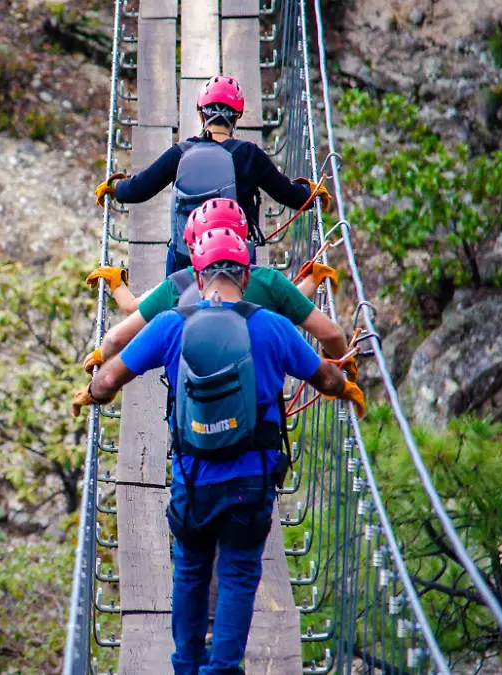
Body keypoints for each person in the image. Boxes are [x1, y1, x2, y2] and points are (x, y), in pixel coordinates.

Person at [72, 227, 365, 675]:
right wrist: (347, 388)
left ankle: (186, 665)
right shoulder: (272, 327)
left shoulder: (173, 324)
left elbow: (110, 379)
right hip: (253, 481)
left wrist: (90, 393)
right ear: (245, 275)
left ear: (199, 274)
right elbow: (326, 378)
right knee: (240, 572)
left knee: (190, 569)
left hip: (194, 479)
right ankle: (224, 668)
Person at [93, 75, 333, 276]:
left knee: (173, 315)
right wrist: (312, 194)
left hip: (184, 260)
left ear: (201, 115)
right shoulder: (250, 155)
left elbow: (140, 188)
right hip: (235, 260)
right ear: (237, 117)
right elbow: (287, 194)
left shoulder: (180, 153)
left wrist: (115, 188)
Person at [83, 199, 352, 376]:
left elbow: (121, 331)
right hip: (260, 413)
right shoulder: (268, 280)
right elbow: (312, 324)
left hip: (198, 413)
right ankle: (314, 277)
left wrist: (100, 354)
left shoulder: (177, 286)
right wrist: (339, 362)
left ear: (193, 245)